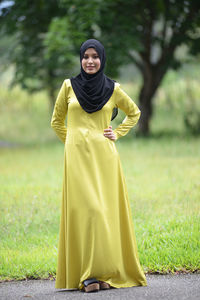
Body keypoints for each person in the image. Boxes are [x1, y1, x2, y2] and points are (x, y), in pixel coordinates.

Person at [51, 39, 147, 293]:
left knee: (103, 213)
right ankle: (90, 274)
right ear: (81, 59)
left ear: (102, 59)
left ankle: (99, 275)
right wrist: (72, 141)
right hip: (76, 159)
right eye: (86, 56)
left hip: (104, 157)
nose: (90, 61)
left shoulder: (113, 88)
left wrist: (119, 132)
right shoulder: (68, 86)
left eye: (95, 56)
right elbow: (56, 121)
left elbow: (134, 112)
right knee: (87, 212)